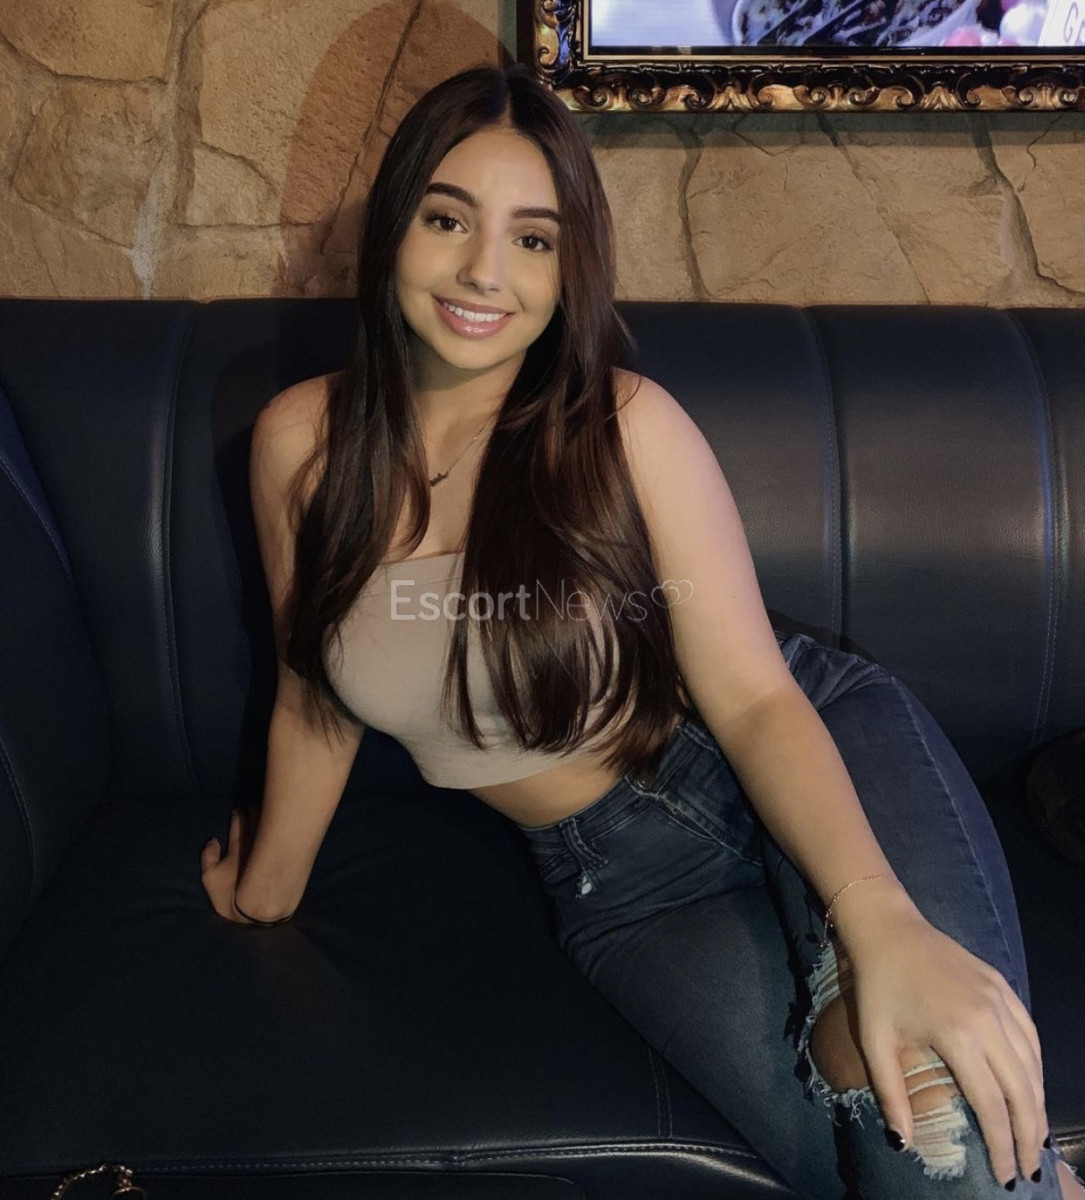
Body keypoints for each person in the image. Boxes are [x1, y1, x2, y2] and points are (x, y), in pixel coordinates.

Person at [199, 61, 1082, 1199]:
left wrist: (880, 921)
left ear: (570, 266)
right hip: (621, 887)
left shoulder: (623, 425)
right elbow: (311, 692)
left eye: (533, 239)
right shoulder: (300, 445)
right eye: (447, 219)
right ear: (392, 231)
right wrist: (267, 890)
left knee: (936, 1122)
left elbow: (754, 699)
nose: (483, 271)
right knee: (907, 1170)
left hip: (804, 757)